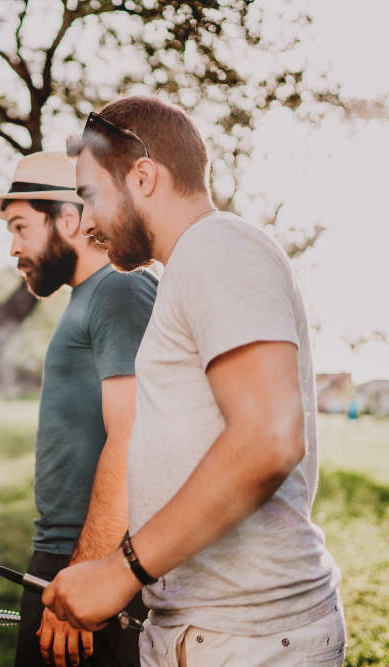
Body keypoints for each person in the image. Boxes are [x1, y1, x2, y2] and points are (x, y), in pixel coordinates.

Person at [42, 96, 345, 666]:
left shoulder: (218, 246)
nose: (85, 223)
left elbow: (270, 438)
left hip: (249, 641)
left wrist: (122, 570)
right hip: (210, 634)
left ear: (144, 175)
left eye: (89, 197)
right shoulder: (189, 267)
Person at [0, 151, 156, 667]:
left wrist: (87, 577)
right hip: (64, 561)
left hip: (88, 566)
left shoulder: (120, 289)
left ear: (71, 217)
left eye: (21, 226)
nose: (14, 247)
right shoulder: (86, 298)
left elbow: (132, 439)